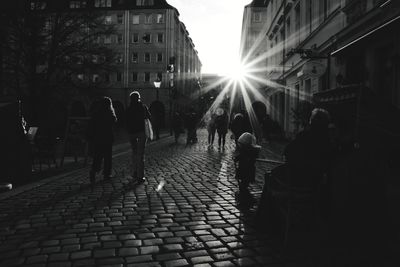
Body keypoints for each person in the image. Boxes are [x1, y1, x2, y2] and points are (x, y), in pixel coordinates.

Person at [87, 97, 117, 186]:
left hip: (98, 138)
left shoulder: (96, 113)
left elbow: (92, 125)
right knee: (108, 157)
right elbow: (114, 121)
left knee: (98, 156)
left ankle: (93, 170)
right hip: (107, 137)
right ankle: (106, 174)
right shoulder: (109, 113)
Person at [125, 91, 151, 183]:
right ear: (139, 98)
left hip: (132, 132)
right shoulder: (143, 107)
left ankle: (135, 172)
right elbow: (149, 117)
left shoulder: (128, 109)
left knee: (134, 153)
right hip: (141, 132)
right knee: (140, 154)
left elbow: (126, 121)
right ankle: (140, 175)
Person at [234, 132, 261, 202]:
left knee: (244, 182)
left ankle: (244, 196)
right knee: (245, 182)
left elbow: (241, 156)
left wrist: (236, 158)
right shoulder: (252, 150)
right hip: (249, 170)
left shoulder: (245, 150)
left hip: (244, 169)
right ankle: (244, 193)